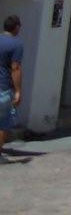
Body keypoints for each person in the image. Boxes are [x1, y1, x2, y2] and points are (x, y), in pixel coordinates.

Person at [0, 15, 27, 164]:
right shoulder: (16, 44)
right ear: (16, 27)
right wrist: (18, 91)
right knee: (3, 123)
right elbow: (15, 68)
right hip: (3, 87)